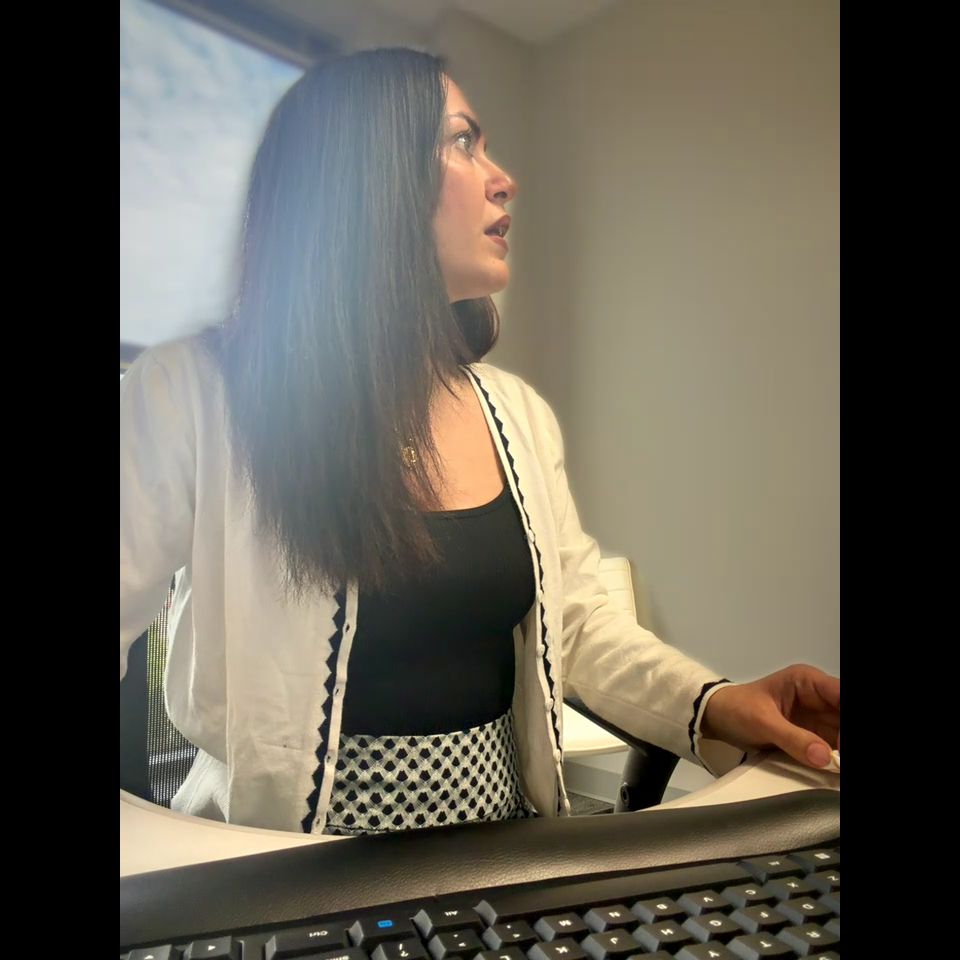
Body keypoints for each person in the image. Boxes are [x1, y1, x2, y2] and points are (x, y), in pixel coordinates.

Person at [120, 47, 839, 836]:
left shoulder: (516, 413)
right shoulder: (190, 394)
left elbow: (575, 622)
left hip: (506, 856)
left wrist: (719, 703)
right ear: (367, 176)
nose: (504, 179)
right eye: (463, 142)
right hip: (282, 874)